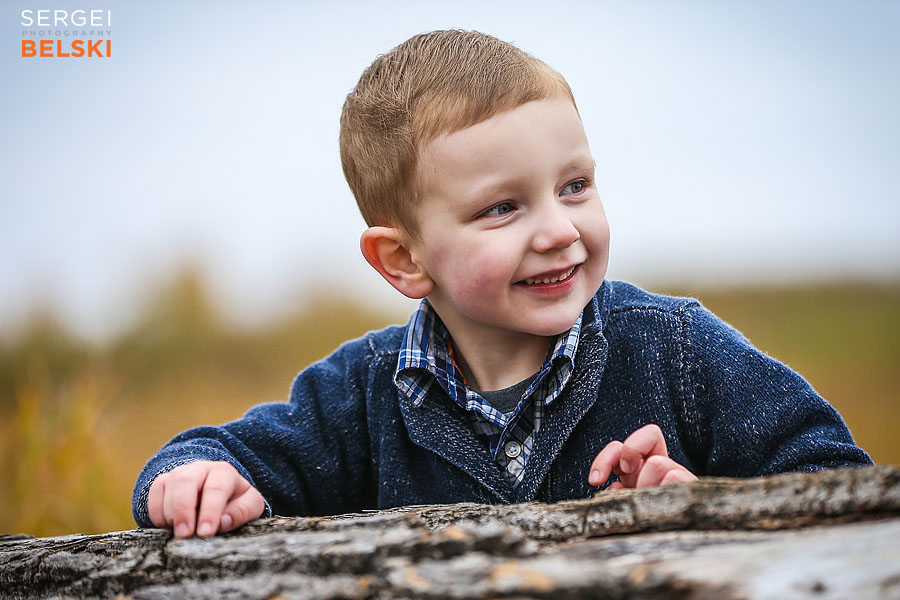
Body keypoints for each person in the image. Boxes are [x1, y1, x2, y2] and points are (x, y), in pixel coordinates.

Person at [132, 30, 871, 539]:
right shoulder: (363, 393)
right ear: (403, 261)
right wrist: (194, 478)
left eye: (575, 185)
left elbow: (839, 478)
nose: (557, 229)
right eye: (503, 207)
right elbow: (221, 455)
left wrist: (707, 508)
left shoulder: (675, 349)